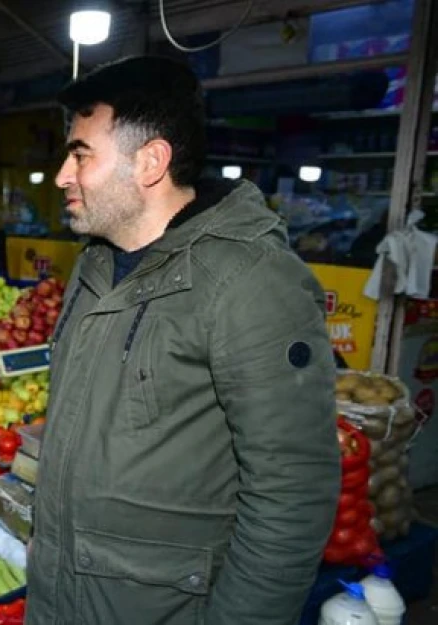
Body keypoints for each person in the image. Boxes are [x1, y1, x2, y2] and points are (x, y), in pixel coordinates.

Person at [27, 56, 339, 625]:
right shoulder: (94, 266)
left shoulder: (250, 283)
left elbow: (291, 499)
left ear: (150, 161)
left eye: (80, 155)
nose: (61, 176)